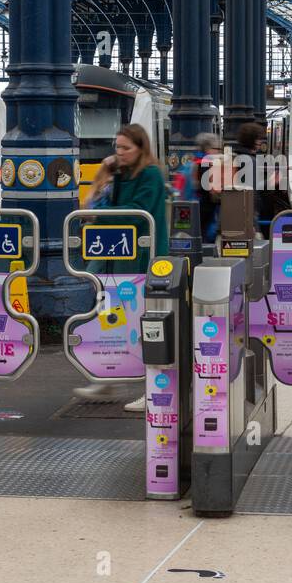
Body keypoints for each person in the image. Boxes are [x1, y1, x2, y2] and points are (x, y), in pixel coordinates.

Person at [77, 124, 170, 410]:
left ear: (141, 148)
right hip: (118, 255)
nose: (119, 153)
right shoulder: (121, 173)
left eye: (126, 148)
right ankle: (107, 375)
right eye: (117, 147)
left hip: (143, 257)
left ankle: (154, 387)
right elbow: (96, 200)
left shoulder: (151, 174)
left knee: (146, 323)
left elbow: (137, 215)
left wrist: (98, 215)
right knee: (112, 318)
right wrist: (104, 172)